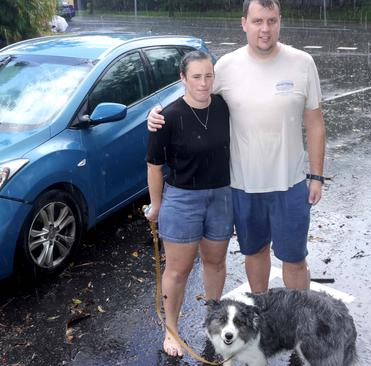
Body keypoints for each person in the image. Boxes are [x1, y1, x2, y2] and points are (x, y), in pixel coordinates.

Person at [148, 0, 326, 294]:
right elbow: (194, 96)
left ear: (280, 21)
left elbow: (316, 122)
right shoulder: (227, 67)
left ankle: (299, 323)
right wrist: (156, 113)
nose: (265, 29)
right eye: (257, 21)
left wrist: (317, 176)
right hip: (243, 186)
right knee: (255, 253)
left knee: (295, 259)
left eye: (271, 20)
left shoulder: (303, 63)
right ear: (244, 23)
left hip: (291, 184)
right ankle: (263, 313)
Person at [145, 50, 233, 357]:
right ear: (183, 78)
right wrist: (156, 206)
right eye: (196, 76)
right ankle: (171, 330)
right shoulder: (166, 118)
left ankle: (214, 321)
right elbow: (154, 166)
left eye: (209, 76)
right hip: (182, 200)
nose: (204, 83)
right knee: (178, 271)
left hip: (221, 196)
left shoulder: (224, 106)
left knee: (215, 263)